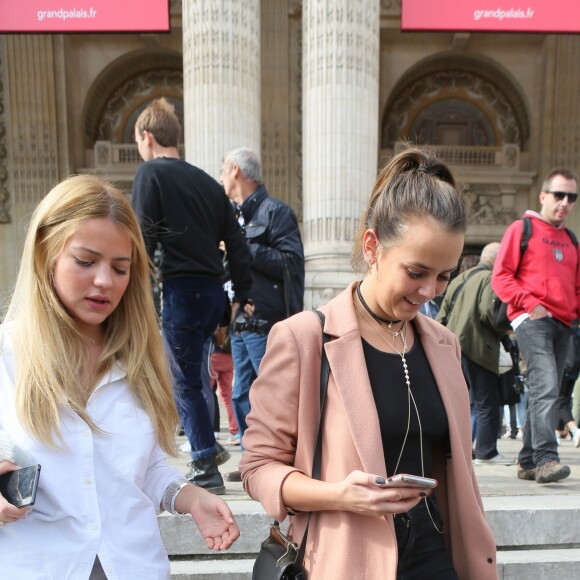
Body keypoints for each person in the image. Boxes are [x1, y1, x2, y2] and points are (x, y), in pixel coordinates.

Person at [240, 148, 497, 579]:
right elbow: (258, 468)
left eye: (444, 275)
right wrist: (340, 495)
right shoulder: (305, 338)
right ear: (373, 245)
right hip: (345, 558)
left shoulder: (444, 344)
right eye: (416, 272)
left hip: (436, 553)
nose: (430, 290)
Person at [0, 175, 239, 579]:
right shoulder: (8, 354)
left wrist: (188, 496)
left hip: (133, 565)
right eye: (86, 261)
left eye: (120, 268)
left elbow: (146, 469)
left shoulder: (142, 359)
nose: (104, 282)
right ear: (46, 253)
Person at [131, 98, 252, 494]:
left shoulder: (150, 173)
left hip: (181, 290)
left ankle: (203, 463)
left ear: (147, 137)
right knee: (197, 374)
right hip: (213, 294)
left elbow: (142, 240)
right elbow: (237, 241)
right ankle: (209, 444)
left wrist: (137, 296)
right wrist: (239, 296)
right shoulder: (207, 182)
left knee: (184, 380)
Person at [220, 147, 305, 482]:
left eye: (223, 171)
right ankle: (251, 463)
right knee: (242, 392)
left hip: (267, 323)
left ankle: (281, 460)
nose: (221, 178)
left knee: (271, 393)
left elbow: (291, 263)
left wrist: (243, 246)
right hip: (240, 321)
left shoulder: (275, 213)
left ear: (236, 170)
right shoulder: (232, 217)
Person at [492, 167, 580, 483]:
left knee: (545, 387)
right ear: (543, 195)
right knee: (546, 385)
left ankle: (528, 459)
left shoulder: (571, 239)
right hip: (532, 320)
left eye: (571, 196)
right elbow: (500, 276)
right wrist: (532, 305)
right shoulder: (522, 228)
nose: (565, 202)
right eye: (559, 195)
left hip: (563, 324)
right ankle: (545, 457)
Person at [436, 242, 511, 465]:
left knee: (456, 402)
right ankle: (487, 452)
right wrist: (505, 332)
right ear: (497, 259)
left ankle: (455, 451)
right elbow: (490, 312)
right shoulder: (489, 278)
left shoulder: (459, 279)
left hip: (452, 348)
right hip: (478, 348)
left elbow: (442, 314)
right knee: (486, 402)